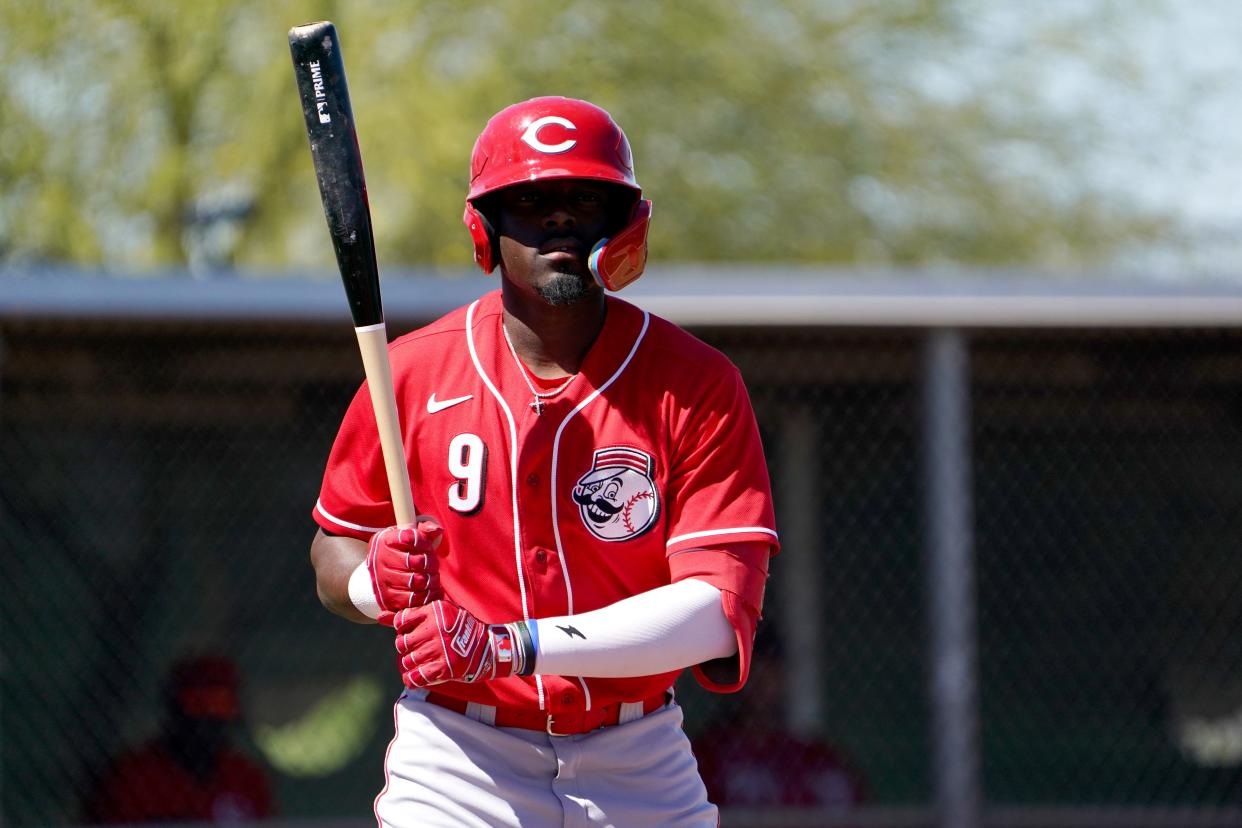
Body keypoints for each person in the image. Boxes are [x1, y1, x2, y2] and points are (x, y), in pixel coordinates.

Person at [309, 96, 779, 827]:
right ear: (485, 229)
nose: (560, 218)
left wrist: (509, 646)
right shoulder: (407, 373)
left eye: (584, 198)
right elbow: (334, 547)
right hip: (460, 755)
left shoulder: (696, 383)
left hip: (638, 751)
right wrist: (376, 581)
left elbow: (716, 615)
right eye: (531, 200)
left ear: (624, 224)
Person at [84, 655, 274, 823]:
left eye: (221, 704)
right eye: (197, 704)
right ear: (174, 708)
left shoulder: (246, 778)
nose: (207, 719)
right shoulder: (133, 777)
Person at [692, 639, 867, 810]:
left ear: (783, 676)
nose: (760, 682)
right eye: (751, 672)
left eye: (769, 671)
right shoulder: (708, 756)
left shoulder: (814, 757)